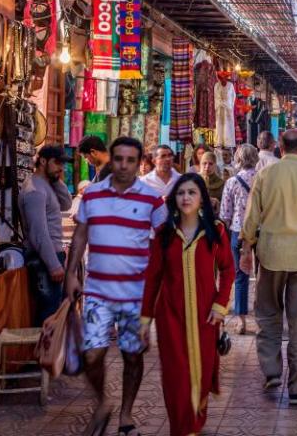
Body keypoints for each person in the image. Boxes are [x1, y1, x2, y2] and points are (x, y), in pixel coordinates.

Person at [64, 137, 168, 436]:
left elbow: (165, 239)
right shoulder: (93, 195)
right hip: (97, 291)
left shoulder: (151, 199)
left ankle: (125, 413)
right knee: (92, 354)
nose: (123, 165)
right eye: (119, 159)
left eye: (130, 160)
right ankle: (103, 402)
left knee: (132, 356)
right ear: (112, 158)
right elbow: (81, 234)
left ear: (139, 163)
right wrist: (72, 274)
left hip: (135, 294)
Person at [239, 128, 297, 405]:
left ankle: (271, 370)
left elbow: (250, 218)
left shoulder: (266, 175)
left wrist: (247, 247)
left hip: (270, 255)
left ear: (280, 146)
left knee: (268, 314)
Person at [140, 174, 234, 436]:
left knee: (202, 374)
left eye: (192, 192)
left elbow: (227, 270)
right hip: (170, 316)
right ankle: (182, 429)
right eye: (181, 193)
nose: (186, 198)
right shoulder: (165, 235)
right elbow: (152, 278)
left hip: (206, 317)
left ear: (201, 196)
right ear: (173, 199)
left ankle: (194, 422)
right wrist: (145, 319)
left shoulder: (216, 231)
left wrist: (220, 305)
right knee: (176, 376)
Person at [18, 145, 72, 325]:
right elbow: (38, 232)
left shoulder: (46, 185)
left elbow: (65, 204)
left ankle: (48, 351)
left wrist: (57, 181)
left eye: (62, 164)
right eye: (57, 163)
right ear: (42, 161)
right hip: (43, 258)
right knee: (48, 312)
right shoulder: (35, 190)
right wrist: (53, 265)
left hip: (51, 254)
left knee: (53, 309)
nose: (60, 168)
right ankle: (42, 352)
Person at [219, 144, 258, 335]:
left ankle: (242, 321)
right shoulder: (263, 180)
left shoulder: (232, 182)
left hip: (238, 232)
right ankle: (263, 318)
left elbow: (225, 213)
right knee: (264, 276)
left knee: (240, 276)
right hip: (262, 231)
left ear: (238, 159)